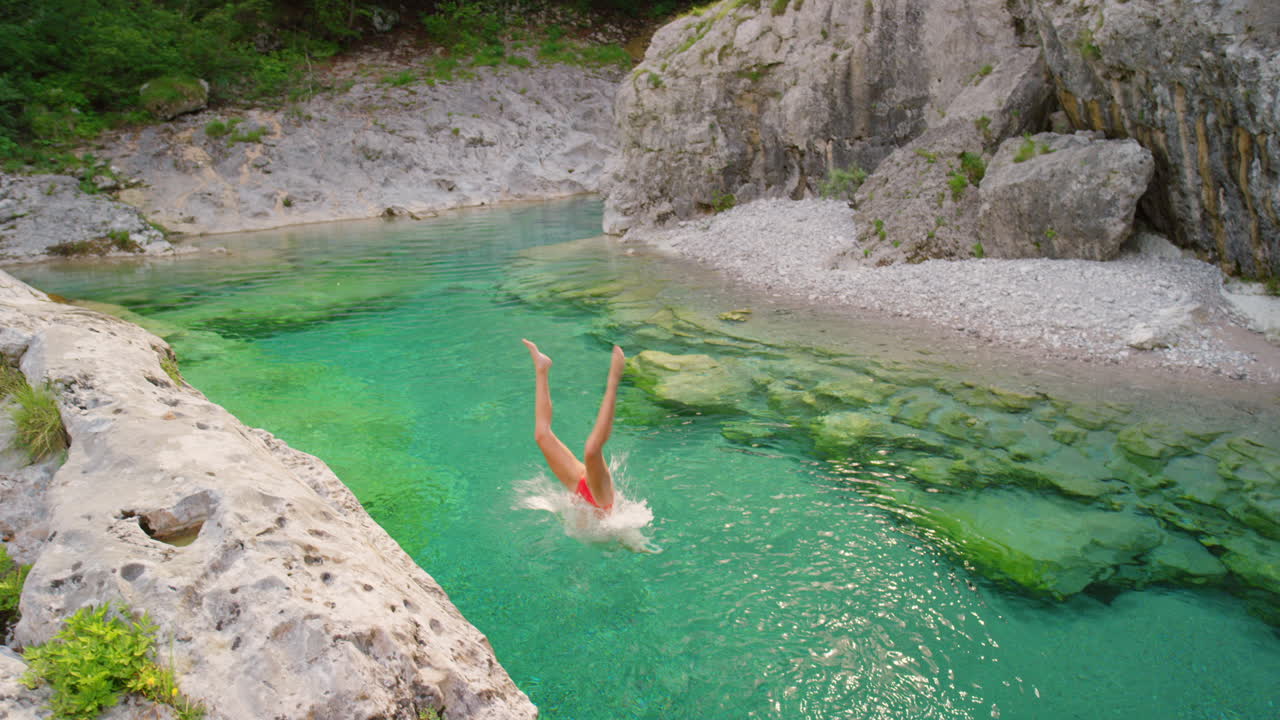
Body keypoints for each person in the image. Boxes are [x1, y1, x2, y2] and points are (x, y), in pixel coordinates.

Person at [521, 339, 624, 512]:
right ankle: (542, 367)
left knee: (543, 436)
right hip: (593, 495)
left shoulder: (619, 529)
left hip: (591, 495)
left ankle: (612, 382)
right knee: (548, 437)